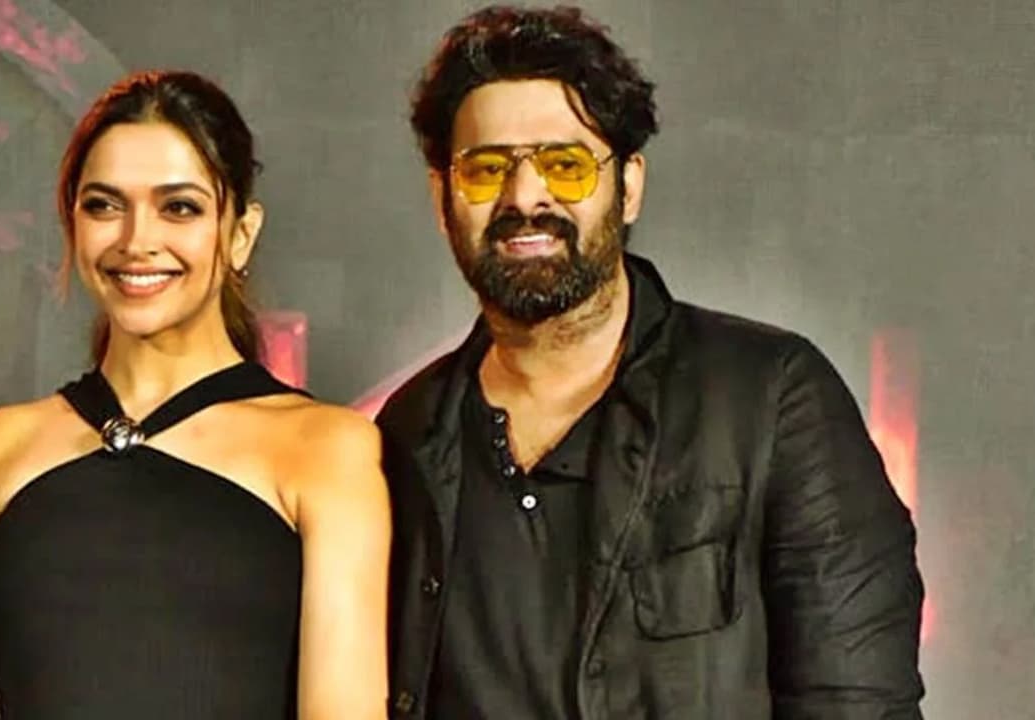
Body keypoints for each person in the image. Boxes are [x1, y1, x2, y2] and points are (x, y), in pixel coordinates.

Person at [376, 6, 925, 719]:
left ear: (628, 186)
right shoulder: (406, 435)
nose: (525, 197)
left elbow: (857, 701)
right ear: (442, 198)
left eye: (565, 165)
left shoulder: (769, 399)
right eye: (486, 169)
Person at [0, 70, 390, 720]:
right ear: (71, 223)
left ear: (240, 233)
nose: (136, 241)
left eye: (179, 207)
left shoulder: (325, 450)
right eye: (104, 206)